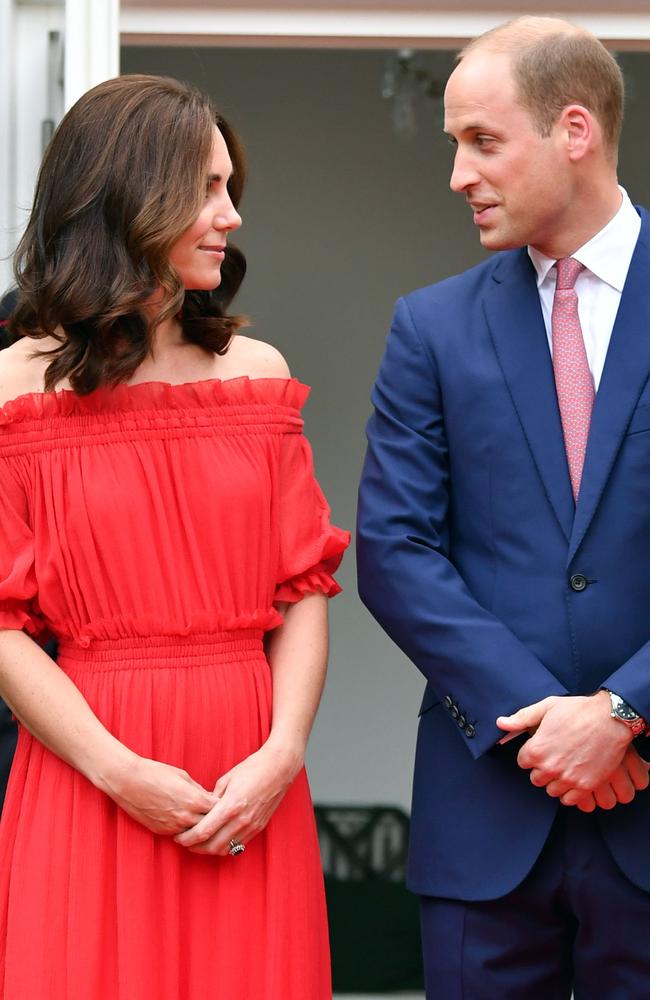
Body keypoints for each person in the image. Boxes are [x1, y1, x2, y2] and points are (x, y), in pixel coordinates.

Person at [0, 74, 349, 999]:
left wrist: (283, 753)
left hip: (249, 780)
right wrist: (118, 772)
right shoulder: (14, 388)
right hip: (90, 771)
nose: (231, 216)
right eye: (206, 188)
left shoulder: (258, 373)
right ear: (128, 196)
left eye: (231, 188)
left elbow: (305, 590)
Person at [358, 16, 650, 999]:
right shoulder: (429, 327)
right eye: (453, 145)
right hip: (483, 819)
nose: (456, 174)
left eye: (479, 141)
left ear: (573, 130)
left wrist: (622, 710)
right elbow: (394, 554)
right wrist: (547, 728)